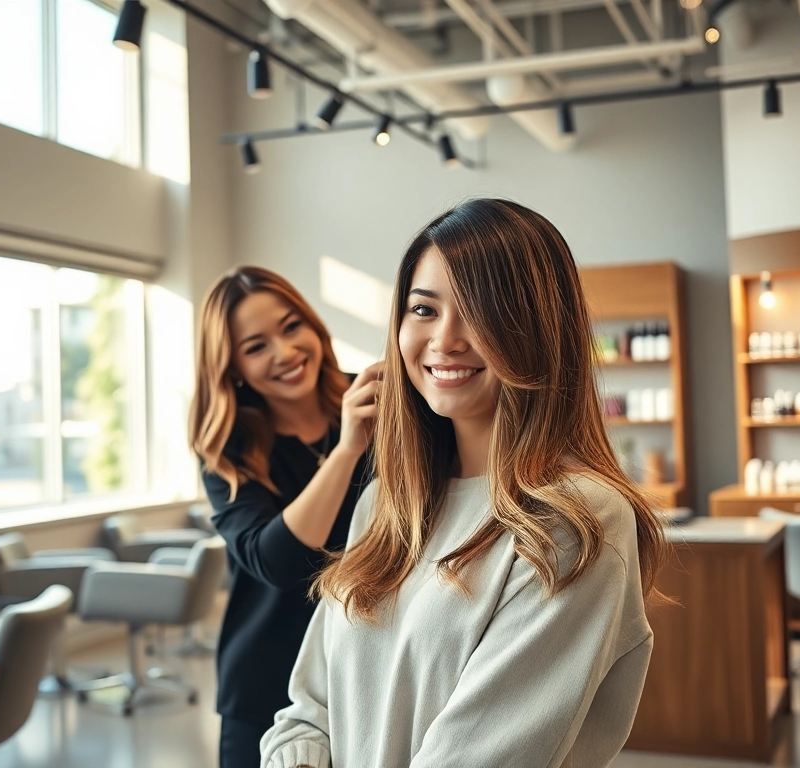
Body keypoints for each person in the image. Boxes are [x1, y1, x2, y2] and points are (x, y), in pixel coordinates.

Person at [260, 199, 670, 768]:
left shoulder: (575, 521)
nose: (445, 339)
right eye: (423, 310)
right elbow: (307, 712)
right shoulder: (384, 506)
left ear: (540, 330)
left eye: (480, 310)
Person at [190, 266, 379, 768]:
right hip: (267, 685)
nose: (285, 353)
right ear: (232, 366)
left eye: (291, 326)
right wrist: (345, 452)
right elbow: (278, 563)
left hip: (373, 671)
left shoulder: (376, 401)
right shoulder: (227, 448)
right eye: (256, 347)